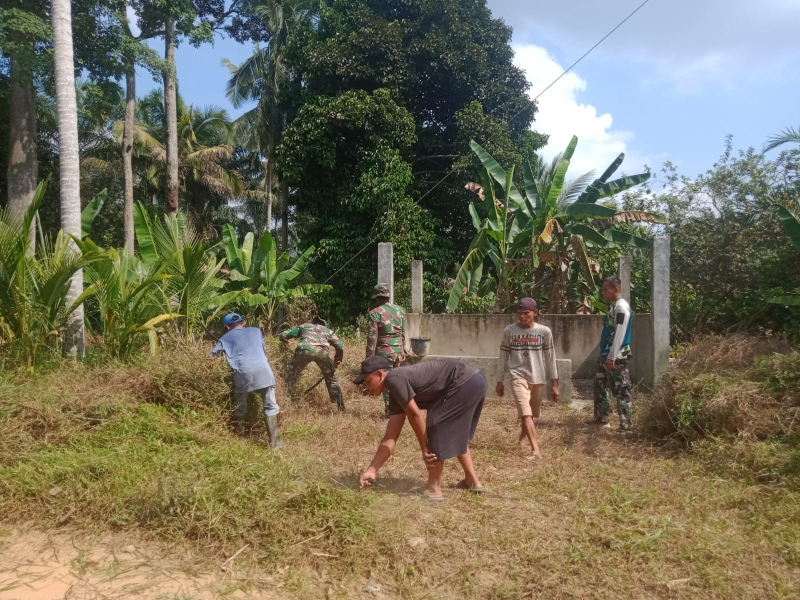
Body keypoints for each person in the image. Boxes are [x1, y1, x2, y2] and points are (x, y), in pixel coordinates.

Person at [355, 355, 486, 501]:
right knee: (453, 430)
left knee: (436, 424)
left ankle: (433, 488)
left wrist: (425, 448)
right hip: (475, 380)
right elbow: (390, 436)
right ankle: (472, 480)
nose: (367, 388)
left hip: (464, 380)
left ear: (379, 374)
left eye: (368, 381)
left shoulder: (394, 378)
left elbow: (415, 415)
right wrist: (372, 470)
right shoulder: (395, 394)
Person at [495, 298, 559, 460]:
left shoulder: (544, 332)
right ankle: (535, 450)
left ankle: (521, 439)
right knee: (525, 413)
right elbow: (503, 356)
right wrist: (499, 380)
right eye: (519, 313)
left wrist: (554, 383)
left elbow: (551, 358)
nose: (522, 317)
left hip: (538, 378)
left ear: (535, 313)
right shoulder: (509, 331)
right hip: (517, 376)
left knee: (530, 413)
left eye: (526, 313)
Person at [210, 313, 284, 448]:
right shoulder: (256, 331)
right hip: (264, 371)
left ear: (227, 327)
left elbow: (212, 358)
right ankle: (274, 443)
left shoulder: (224, 338)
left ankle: (241, 438)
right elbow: (265, 351)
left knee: (240, 405)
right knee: (270, 405)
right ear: (243, 323)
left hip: (242, 373)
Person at [593, 276, 634, 431]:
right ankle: (601, 419)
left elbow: (620, 333)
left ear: (615, 289)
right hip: (606, 354)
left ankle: (626, 426)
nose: (603, 293)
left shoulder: (621, 308)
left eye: (605, 290)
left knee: (622, 389)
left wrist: (612, 356)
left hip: (616, 356)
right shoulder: (613, 306)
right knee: (600, 384)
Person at [280, 316, 345, 411]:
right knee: (331, 378)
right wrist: (337, 359)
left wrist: (285, 340)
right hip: (322, 353)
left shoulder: (305, 326)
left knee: (290, 377)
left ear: (313, 322)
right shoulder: (328, 331)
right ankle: (341, 406)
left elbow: (283, 335)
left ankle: (285, 404)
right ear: (324, 325)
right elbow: (340, 346)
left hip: (304, 351)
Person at [365, 283, 406, 417]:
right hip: (398, 352)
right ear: (388, 296)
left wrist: (369, 358)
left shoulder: (375, 313)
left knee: (386, 383)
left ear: (377, 297)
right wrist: (403, 350)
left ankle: (390, 413)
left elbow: (372, 338)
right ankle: (399, 409)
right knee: (396, 380)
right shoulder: (400, 311)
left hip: (385, 353)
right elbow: (403, 333)